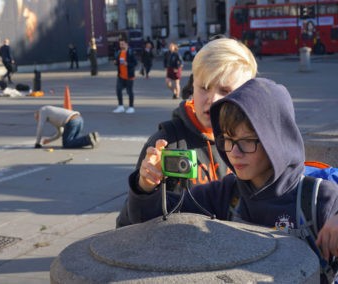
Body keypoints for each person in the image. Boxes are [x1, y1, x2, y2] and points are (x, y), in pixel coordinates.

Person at [123, 77, 338, 282]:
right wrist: (146, 185)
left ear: (276, 140)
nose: (234, 152)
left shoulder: (320, 200)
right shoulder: (226, 194)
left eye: (246, 141)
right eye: (226, 139)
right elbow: (151, 217)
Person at [116, 37, 258, 227]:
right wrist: (144, 187)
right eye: (204, 88)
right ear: (193, 86)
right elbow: (128, 223)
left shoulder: (253, 144)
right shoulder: (166, 142)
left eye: (225, 90)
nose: (212, 99)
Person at [34, 105, 100, 149]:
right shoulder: (53, 117)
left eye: (37, 118)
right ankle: (93, 137)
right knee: (74, 141)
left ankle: (88, 139)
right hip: (79, 119)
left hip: (72, 121)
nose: (38, 120)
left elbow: (40, 127)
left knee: (66, 144)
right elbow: (60, 133)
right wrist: (49, 140)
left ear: (37, 113)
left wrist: (37, 143)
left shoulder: (43, 110)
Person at [112, 38, 138, 114]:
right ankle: (120, 106)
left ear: (126, 44)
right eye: (120, 44)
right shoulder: (119, 52)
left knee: (129, 91)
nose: (121, 45)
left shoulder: (130, 52)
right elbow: (117, 62)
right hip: (120, 76)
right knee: (118, 90)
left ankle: (131, 107)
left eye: (122, 44)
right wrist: (115, 62)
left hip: (129, 76)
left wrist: (128, 64)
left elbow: (135, 63)